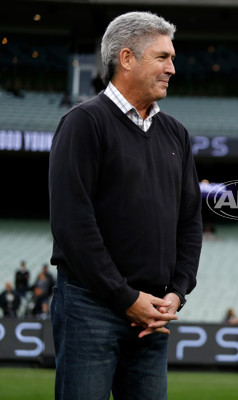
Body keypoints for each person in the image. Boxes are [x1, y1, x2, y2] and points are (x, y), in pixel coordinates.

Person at [48, 11, 203, 400]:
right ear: (127, 58)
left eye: (172, 58)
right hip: (90, 306)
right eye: (162, 57)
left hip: (152, 315)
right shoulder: (84, 122)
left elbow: (189, 221)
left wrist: (177, 293)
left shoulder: (176, 133)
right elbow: (73, 225)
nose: (171, 68)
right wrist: (125, 298)